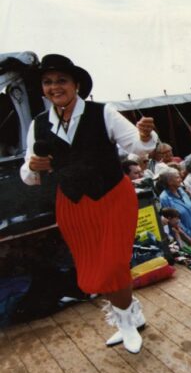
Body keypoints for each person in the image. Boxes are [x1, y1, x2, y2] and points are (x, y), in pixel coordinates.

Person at [21, 54, 157, 353]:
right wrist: (33, 167)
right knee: (93, 270)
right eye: (47, 82)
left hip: (112, 197)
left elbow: (137, 145)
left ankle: (126, 322)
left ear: (76, 84)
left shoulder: (102, 112)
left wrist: (146, 135)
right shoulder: (39, 125)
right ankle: (130, 314)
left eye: (61, 80)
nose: (54, 87)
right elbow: (28, 175)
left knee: (113, 264)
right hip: (72, 204)